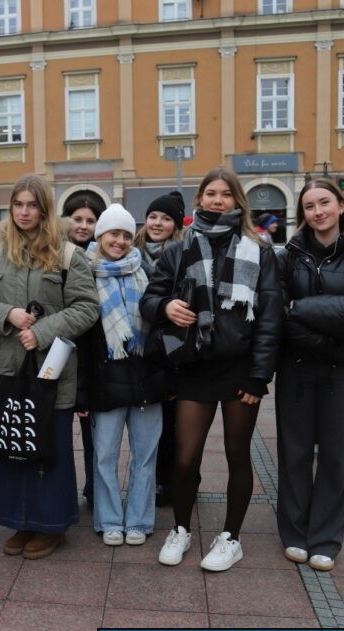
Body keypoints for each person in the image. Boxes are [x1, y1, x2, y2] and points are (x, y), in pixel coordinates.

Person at [140, 167, 282, 572]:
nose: (217, 200)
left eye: (225, 194)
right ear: (199, 200)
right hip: (194, 367)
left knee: (238, 455)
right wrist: (165, 307)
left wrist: (260, 375)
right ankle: (181, 529)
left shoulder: (261, 251)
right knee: (185, 459)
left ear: (238, 201)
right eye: (210, 193)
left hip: (240, 371)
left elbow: (270, 320)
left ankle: (230, 538)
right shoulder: (178, 249)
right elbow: (150, 300)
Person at [0, 174, 99, 559]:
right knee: (11, 445)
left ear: (45, 208)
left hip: (50, 374)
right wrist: (7, 313)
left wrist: (41, 331)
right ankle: (19, 521)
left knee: (48, 450)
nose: (24, 212)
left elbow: (87, 307)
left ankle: (51, 525)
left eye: (32, 205)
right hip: (6, 370)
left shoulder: (67, 253)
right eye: (18, 204)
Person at [275, 180, 344, 569]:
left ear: (341, 206)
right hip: (299, 369)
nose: (317, 212)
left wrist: (302, 308)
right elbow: (279, 317)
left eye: (324, 203)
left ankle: (324, 537)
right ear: (302, 214)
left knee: (339, 457)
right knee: (295, 454)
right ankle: (294, 532)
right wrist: (328, 329)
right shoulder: (287, 257)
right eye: (309, 206)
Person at [78, 204, 166, 546]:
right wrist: (83, 392)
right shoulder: (84, 273)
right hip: (105, 382)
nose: (120, 240)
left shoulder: (147, 272)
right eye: (114, 233)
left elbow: (159, 328)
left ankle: (140, 521)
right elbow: (82, 343)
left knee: (145, 456)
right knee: (104, 457)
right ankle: (110, 519)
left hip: (146, 379)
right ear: (100, 235)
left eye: (127, 234)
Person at [135, 192, 186, 507]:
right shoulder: (131, 253)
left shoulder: (183, 256)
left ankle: (171, 481)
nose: (158, 223)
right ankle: (150, 480)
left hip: (173, 349)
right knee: (146, 422)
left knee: (173, 423)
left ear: (175, 225)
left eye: (166, 218)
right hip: (140, 349)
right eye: (154, 216)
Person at [62, 193, 106, 508]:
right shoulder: (54, 254)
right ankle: (60, 492)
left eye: (91, 221)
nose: (84, 225)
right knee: (59, 429)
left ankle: (94, 490)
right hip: (60, 350)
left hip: (94, 352)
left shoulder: (105, 257)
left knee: (95, 431)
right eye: (78, 219)